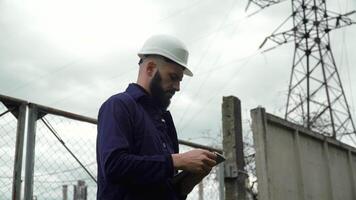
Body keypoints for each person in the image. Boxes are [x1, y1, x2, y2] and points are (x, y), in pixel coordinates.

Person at [96, 35, 217, 200]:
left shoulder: (165, 120)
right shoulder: (119, 105)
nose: (178, 87)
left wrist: (187, 182)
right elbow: (114, 166)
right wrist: (177, 161)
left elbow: (160, 185)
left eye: (180, 80)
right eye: (173, 77)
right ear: (150, 68)